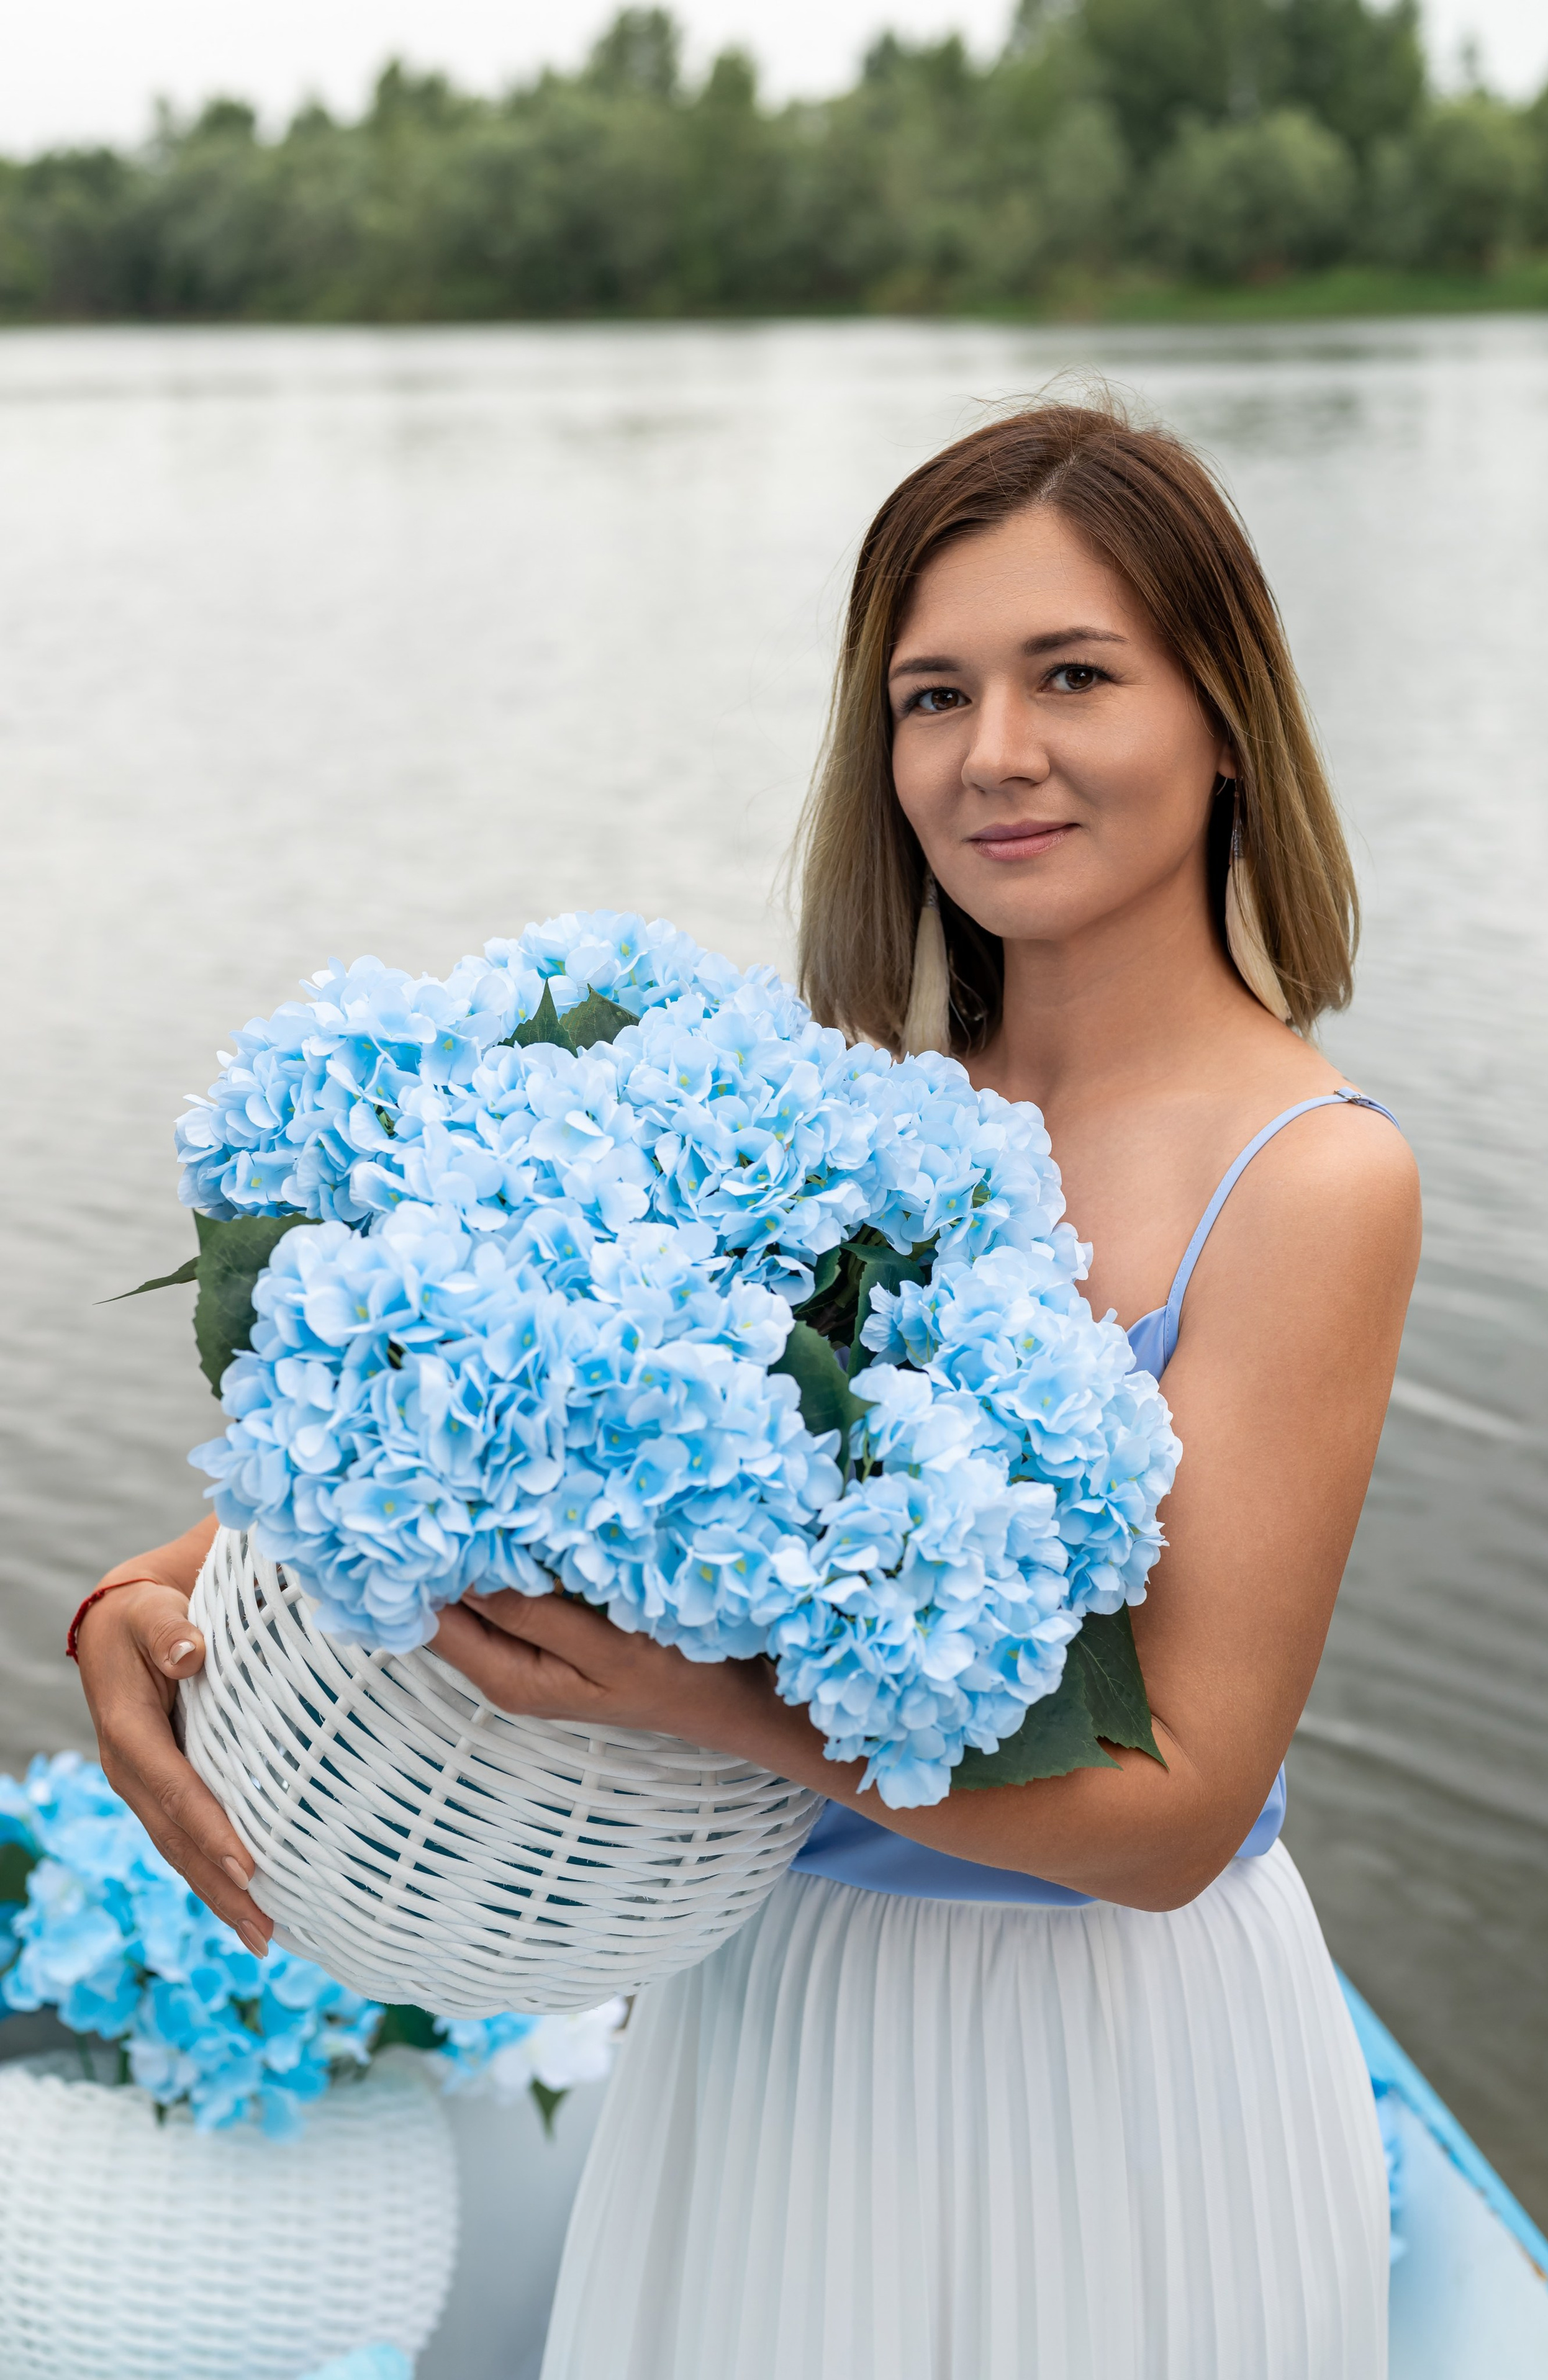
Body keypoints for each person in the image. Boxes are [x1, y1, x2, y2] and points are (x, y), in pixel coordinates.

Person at [74, 400, 1421, 2379]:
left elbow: (1177, 1811)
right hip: (765, 2010)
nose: (996, 755)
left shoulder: (1310, 1174)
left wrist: (708, 1705)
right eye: (932, 694)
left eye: (1075, 676)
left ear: (1223, 715)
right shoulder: (833, 1109)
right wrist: (155, 1583)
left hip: (1106, 2054)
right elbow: (519, 1433)